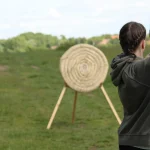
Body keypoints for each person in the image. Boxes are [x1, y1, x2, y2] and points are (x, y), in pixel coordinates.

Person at [110, 21, 150, 150]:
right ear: (143, 43)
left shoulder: (122, 66)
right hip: (143, 143)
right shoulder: (140, 70)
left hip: (126, 140)